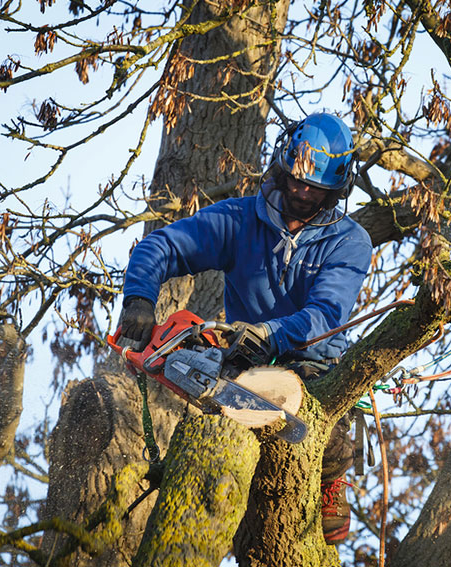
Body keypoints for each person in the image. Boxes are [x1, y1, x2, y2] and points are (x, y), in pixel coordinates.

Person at [119, 112, 372, 545]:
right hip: (243, 361)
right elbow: (161, 245)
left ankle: (331, 477)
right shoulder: (239, 220)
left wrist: (270, 333)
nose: (300, 189)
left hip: (315, 366)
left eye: (314, 187)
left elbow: (326, 314)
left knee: (325, 434)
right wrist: (139, 298)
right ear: (282, 163)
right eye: (295, 178)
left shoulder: (349, 241)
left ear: (336, 190)